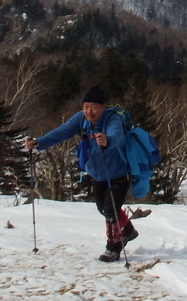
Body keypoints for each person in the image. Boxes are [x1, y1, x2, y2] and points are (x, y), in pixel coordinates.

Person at [24, 86, 138, 262]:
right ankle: (128, 230)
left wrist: (108, 140)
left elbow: (118, 135)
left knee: (110, 211)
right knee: (103, 209)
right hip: (96, 173)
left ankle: (113, 247)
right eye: (85, 106)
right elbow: (62, 132)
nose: (88, 111)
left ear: (103, 107)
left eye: (93, 107)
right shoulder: (81, 119)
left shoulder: (112, 119)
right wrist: (39, 143)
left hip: (117, 173)